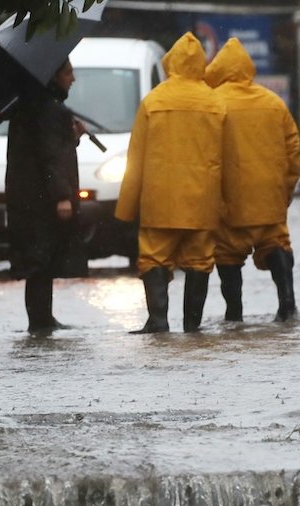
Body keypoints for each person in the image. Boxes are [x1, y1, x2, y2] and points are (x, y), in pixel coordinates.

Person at [115, 32, 227, 333]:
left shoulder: (153, 101)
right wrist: (227, 203)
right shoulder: (215, 102)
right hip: (202, 200)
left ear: (171, 62)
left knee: (154, 256)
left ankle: (158, 321)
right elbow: (228, 157)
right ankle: (192, 326)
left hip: (159, 199)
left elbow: (135, 159)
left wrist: (125, 209)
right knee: (200, 259)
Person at [204, 37, 300, 321]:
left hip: (230, 199)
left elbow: (205, 153)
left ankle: (234, 315)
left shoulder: (213, 104)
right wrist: (286, 189)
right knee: (276, 244)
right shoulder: (274, 103)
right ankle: (287, 304)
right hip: (269, 197)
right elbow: (293, 149)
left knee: (227, 256)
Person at [5, 58, 89, 333]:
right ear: (53, 77)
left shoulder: (35, 107)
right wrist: (62, 196)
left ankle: (42, 318)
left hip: (30, 199)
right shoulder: (48, 110)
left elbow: (49, 148)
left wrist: (73, 135)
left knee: (41, 261)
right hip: (41, 202)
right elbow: (51, 156)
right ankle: (39, 321)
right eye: (68, 73)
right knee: (41, 262)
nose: (72, 79)